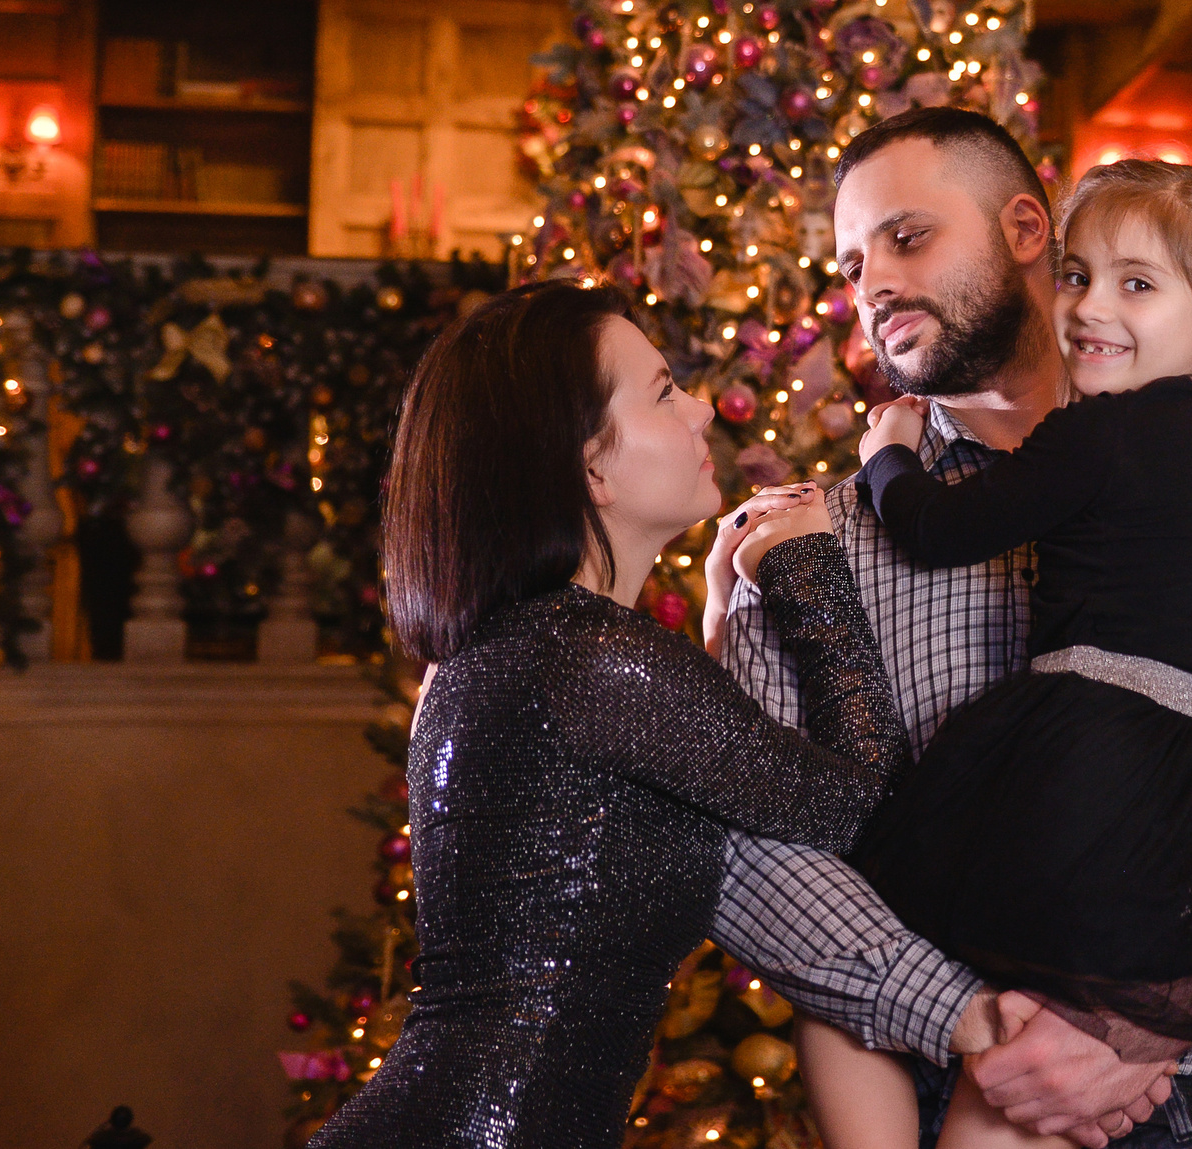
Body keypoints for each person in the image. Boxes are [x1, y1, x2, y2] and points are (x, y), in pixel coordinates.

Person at [710, 109, 1192, 1149]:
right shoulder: (813, 539)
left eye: (907, 235)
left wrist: (1126, 1029)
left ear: (1028, 228)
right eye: (851, 263)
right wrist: (971, 1020)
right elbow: (749, 845)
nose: (873, 281)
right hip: (951, 1094)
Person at [313, 280, 908, 1149]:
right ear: (590, 465)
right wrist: (808, 563)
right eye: (666, 391)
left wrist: (719, 614)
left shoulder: (535, 647)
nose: (705, 409)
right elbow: (864, 803)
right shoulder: (593, 654)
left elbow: (697, 773)